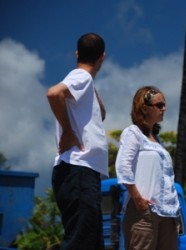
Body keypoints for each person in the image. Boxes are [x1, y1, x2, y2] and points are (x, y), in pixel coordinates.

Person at [46, 33, 108, 250]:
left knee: (91, 243)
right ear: (103, 57)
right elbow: (54, 93)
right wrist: (69, 132)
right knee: (80, 243)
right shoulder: (81, 77)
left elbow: (101, 112)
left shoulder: (85, 82)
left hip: (81, 172)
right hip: (78, 170)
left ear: (77, 54)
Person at [115, 86, 180, 250]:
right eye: (159, 105)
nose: (163, 109)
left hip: (167, 213)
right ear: (144, 108)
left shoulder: (157, 140)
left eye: (164, 105)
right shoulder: (133, 133)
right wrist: (137, 198)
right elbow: (123, 167)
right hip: (145, 212)